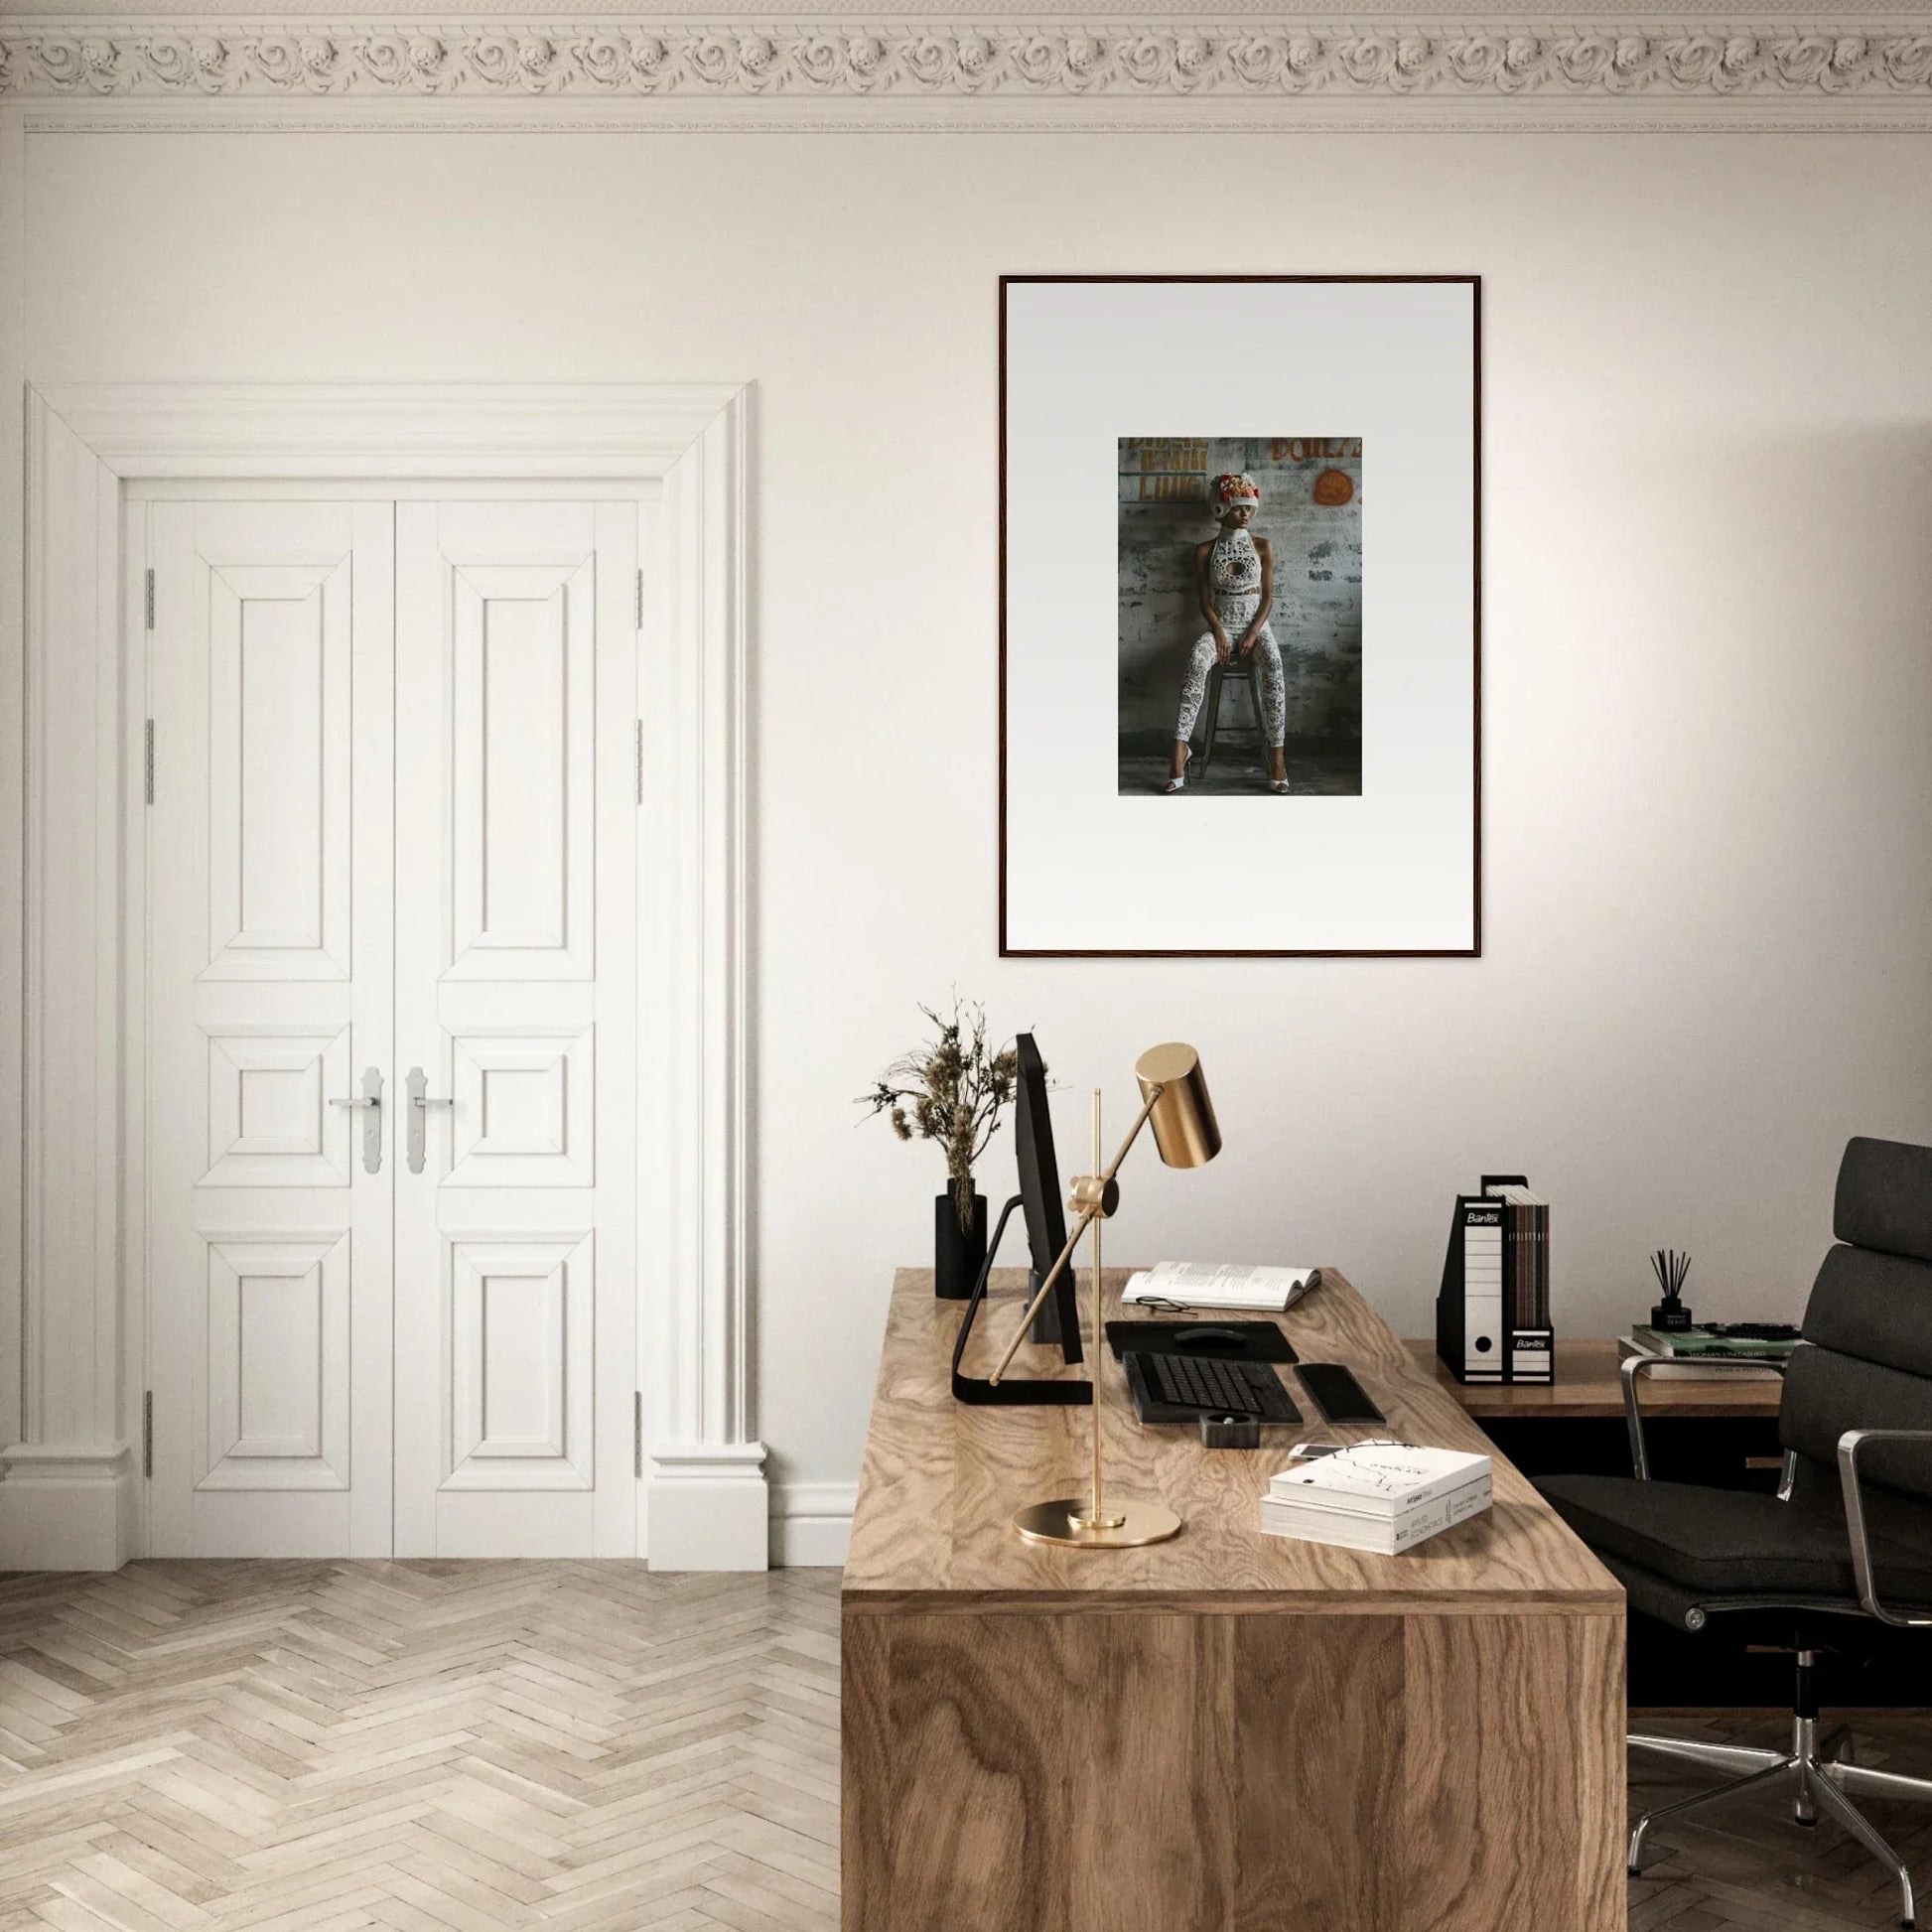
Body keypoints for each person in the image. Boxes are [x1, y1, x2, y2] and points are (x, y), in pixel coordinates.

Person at [1165, 473, 1289, 794]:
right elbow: (1204, 602)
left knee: (1274, 666)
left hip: (1255, 628)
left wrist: (1252, 634)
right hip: (1221, 627)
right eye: (1238, 508)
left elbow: (1267, 599)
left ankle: (1276, 759)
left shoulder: (1263, 546)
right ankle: (1179, 753)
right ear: (1222, 509)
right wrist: (1218, 632)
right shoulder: (1204, 550)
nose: (1245, 514)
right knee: (1195, 662)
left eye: (1249, 508)